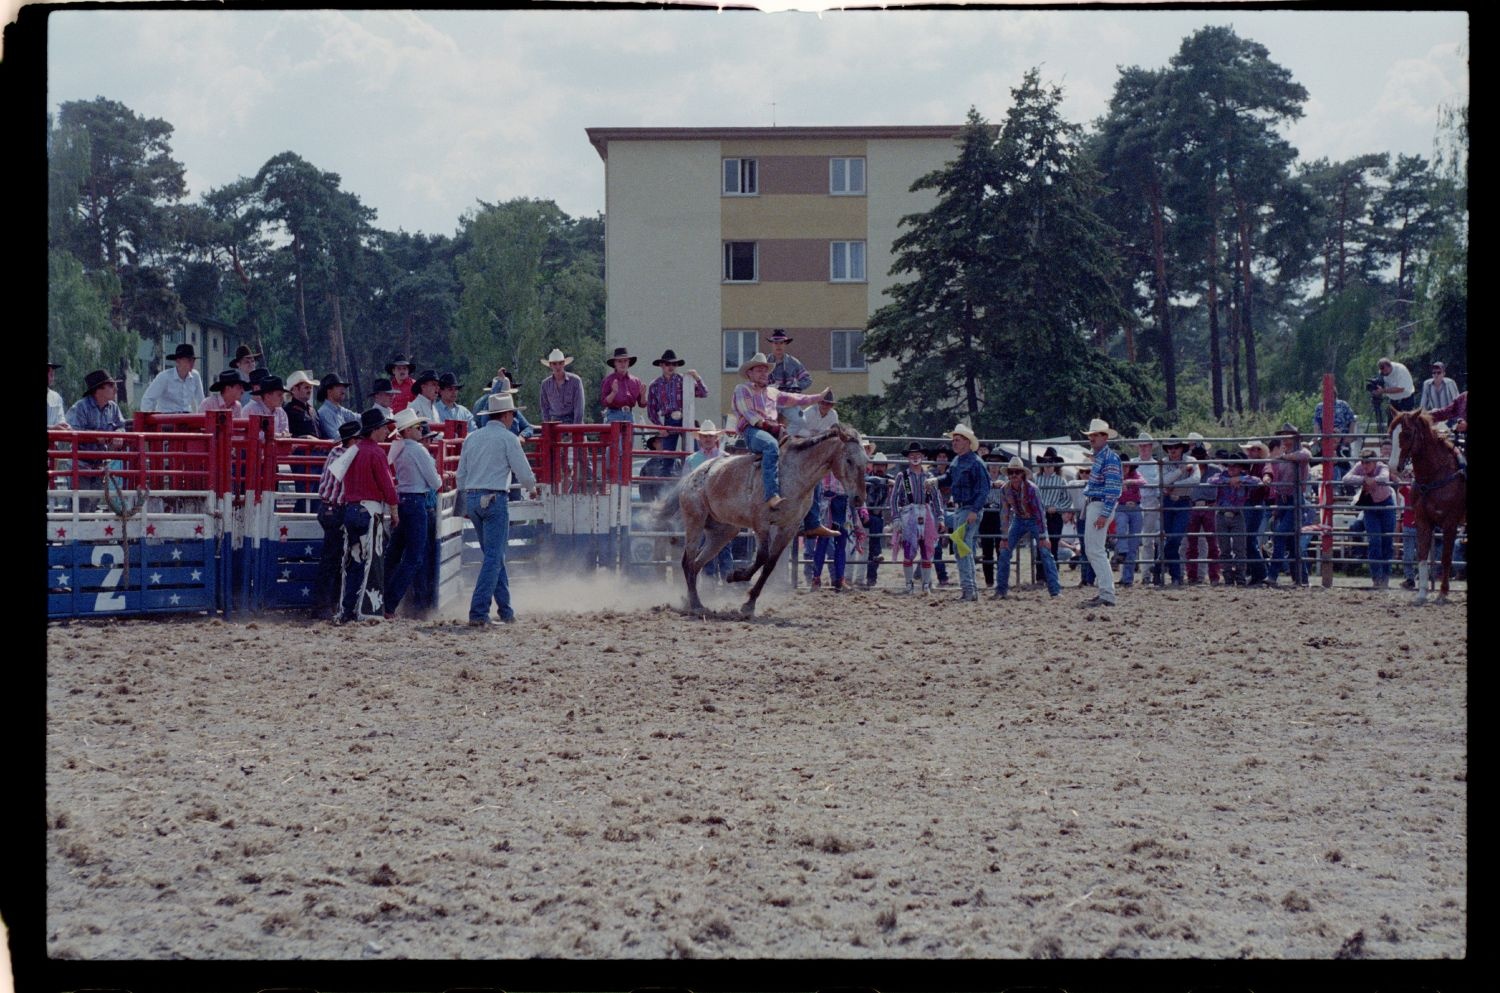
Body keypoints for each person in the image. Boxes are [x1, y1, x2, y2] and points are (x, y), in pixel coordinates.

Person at [456, 392, 539, 626]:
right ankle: (478, 611)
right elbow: (523, 471)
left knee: (494, 555)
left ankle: (505, 610)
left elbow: (461, 475)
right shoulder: (508, 438)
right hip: (495, 499)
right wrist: (531, 488)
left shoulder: (472, 438)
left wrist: (464, 501)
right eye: (512, 414)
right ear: (505, 415)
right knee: (494, 557)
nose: (514, 418)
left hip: (473, 498)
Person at [729, 351, 828, 510]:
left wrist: (818, 397)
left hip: (773, 431)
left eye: (765, 370)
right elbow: (748, 413)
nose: (764, 373)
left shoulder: (773, 392)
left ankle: (813, 521)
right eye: (759, 370)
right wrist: (767, 425)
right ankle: (771, 495)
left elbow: (797, 399)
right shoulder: (742, 389)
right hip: (752, 432)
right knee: (770, 446)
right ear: (750, 373)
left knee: (805, 457)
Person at [330, 408, 400, 623]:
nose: (386, 431)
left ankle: (346, 609)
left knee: (353, 561)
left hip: (351, 509)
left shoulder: (353, 451)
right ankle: (367, 611)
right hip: (369, 511)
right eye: (383, 428)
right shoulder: (376, 452)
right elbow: (387, 486)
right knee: (371, 561)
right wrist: (394, 511)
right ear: (375, 430)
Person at [383, 408, 448, 617]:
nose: (421, 429)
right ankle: (390, 603)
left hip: (402, 500)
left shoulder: (398, 448)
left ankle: (380, 596)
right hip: (416, 502)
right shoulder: (418, 450)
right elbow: (435, 481)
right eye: (418, 427)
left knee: (394, 553)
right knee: (414, 557)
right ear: (408, 430)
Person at [990, 455, 1062, 600]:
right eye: (1011, 473)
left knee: (1045, 551)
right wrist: (1004, 536)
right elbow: (1004, 513)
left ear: (1023, 474)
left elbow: (1040, 513)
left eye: (1017, 472)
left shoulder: (1031, 489)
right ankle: (1001, 590)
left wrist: (1042, 535)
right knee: (1004, 551)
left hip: (1035, 520)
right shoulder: (1005, 489)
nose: (1014, 475)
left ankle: (1055, 591)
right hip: (1019, 519)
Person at [929, 424, 987, 601]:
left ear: (967, 443)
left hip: (969, 508)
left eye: (957, 440)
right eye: (953, 440)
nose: (954, 443)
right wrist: (936, 481)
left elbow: (983, 489)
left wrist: (975, 510)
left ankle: (969, 589)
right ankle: (970, 589)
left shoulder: (975, 463)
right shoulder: (958, 461)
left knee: (960, 545)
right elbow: (949, 478)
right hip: (962, 508)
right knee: (963, 546)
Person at [313, 420, 362, 617]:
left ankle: (326, 604)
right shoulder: (348, 455)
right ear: (353, 440)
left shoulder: (336, 452)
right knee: (335, 559)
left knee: (332, 558)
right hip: (336, 509)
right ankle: (325, 605)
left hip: (327, 508)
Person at [888, 441, 945, 595]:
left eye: (918, 454)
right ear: (908, 458)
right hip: (908, 514)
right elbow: (893, 499)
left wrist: (940, 517)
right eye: (912, 455)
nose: (915, 457)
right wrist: (896, 518)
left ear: (922, 456)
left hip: (926, 513)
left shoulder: (929, 476)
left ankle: (926, 585)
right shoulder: (902, 476)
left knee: (927, 549)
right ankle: (909, 584)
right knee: (908, 549)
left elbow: (936, 498)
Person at [1078, 419, 1123, 608]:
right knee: (1094, 549)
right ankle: (1106, 591)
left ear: (1104, 437)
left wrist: (1104, 514)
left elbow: (1113, 488)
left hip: (1099, 505)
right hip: (1096, 505)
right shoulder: (1103, 458)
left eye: (1095, 435)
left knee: (1094, 549)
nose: (1092, 439)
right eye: (1091, 436)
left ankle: (1107, 592)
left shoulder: (1109, 458)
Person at [1266, 423, 1313, 586]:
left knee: (1280, 535)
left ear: (1295, 438)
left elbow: (1305, 455)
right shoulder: (1285, 455)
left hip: (1295, 499)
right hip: (1284, 499)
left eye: (1289, 435)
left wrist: (1283, 457)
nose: (1285, 438)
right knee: (1292, 541)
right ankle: (1301, 578)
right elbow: (1272, 468)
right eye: (1284, 436)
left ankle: (1272, 575)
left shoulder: (1298, 453)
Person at [1342, 448, 1396, 589]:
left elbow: (1384, 477)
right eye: (1363, 462)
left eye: (1368, 462)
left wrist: (1370, 480)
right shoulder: (1360, 467)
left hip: (1386, 504)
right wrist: (1365, 479)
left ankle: (1385, 577)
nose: (1365, 465)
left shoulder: (1382, 466)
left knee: (1387, 541)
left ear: (1375, 462)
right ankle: (1377, 578)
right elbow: (1345, 478)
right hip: (1371, 506)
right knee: (1375, 541)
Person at [646, 349, 708, 450]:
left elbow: (703, 393)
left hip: (686, 418)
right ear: (661, 365)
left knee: (693, 451)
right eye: (667, 364)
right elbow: (651, 410)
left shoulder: (685, 380)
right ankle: (669, 465)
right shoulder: (655, 385)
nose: (671, 367)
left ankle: (693, 465)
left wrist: (697, 378)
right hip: (669, 420)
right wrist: (660, 427)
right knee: (668, 456)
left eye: (674, 364)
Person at [1158, 438, 1198, 586]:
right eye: (1169, 448)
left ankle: (1158, 565)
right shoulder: (1163, 461)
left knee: (1174, 538)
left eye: (1175, 447)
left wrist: (1174, 484)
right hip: (1168, 502)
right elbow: (1162, 481)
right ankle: (1175, 576)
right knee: (1171, 539)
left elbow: (1196, 479)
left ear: (1182, 448)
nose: (1172, 450)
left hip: (1184, 501)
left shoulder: (1192, 460)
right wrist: (1181, 471)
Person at [1208, 458, 1253, 585]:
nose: (1231, 468)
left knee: (1240, 549)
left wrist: (1240, 479)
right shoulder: (1221, 476)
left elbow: (1256, 481)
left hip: (1237, 515)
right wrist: (1230, 481)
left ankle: (1240, 578)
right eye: (1229, 466)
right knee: (1224, 548)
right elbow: (1211, 480)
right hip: (1222, 515)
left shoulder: (1245, 478)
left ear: (1240, 467)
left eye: (1235, 466)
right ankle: (1228, 578)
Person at [1184, 437, 1222, 585]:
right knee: (1191, 544)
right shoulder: (1189, 470)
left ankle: (1214, 576)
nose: (1199, 461)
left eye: (1201, 457)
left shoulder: (1215, 470)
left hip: (1210, 506)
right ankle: (1192, 576)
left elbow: (1222, 490)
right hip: (1193, 505)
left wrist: (1217, 504)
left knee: (1212, 543)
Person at [766, 329, 813, 436]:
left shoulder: (793, 362)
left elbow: (807, 380)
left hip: (788, 400)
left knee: (801, 421)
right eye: (776, 343)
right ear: (772, 345)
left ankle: (784, 439)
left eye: (781, 343)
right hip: (769, 402)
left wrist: (796, 387)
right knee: (764, 423)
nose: (778, 346)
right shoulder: (764, 362)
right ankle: (770, 443)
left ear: (785, 344)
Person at [1238, 440, 1272, 586]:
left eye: (1255, 450)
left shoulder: (1263, 463)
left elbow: (1268, 472)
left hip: (1257, 504)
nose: (1252, 452)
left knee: (1250, 540)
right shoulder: (1249, 466)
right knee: (1248, 540)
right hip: (1249, 504)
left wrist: (1266, 478)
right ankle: (1259, 573)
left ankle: (1261, 573)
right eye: (1250, 450)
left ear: (1260, 451)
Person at [140, 343, 205, 413]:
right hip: (167, 419)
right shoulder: (164, 377)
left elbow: (201, 402)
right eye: (189, 360)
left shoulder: (195, 376)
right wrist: (149, 421)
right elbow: (148, 399)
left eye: (193, 360)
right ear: (178, 361)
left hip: (187, 419)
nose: (192, 363)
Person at [1035, 449, 1072, 563]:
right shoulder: (1035, 478)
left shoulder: (1061, 480)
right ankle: (1041, 576)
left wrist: (1057, 507)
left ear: (1055, 464)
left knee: (1054, 544)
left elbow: (1068, 499)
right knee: (1040, 544)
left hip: (1055, 516)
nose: (1047, 465)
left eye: (1050, 462)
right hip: (1040, 515)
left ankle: (1053, 575)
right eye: (1045, 462)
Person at [862, 453, 892, 588]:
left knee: (876, 525)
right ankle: (872, 575)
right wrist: (888, 482)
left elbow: (903, 483)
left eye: (882, 466)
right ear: (873, 467)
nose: (880, 468)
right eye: (877, 465)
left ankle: (871, 578)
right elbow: (871, 479)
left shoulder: (889, 479)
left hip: (876, 518)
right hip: (863, 514)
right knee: (876, 524)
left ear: (886, 467)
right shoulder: (868, 477)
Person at [1115, 455, 1144, 587]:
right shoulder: (1115, 477)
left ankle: (1127, 578)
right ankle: (1122, 550)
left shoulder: (1135, 474)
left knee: (1134, 544)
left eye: (1126, 465)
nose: (1124, 468)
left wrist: (1128, 482)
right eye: (1122, 466)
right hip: (1121, 506)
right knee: (1120, 525)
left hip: (1135, 507)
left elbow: (1143, 482)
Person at [978, 456, 1006, 589]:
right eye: (991, 462)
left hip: (1000, 514)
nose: (994, 465)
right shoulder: (982, 477)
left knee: (1001, 548)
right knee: (987, 549)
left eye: (997, 462)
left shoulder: (1005, 479)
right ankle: (989, 581)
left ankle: (1001, 579)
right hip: (986, 513)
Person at [539, 347, 587, 424]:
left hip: (572, 420)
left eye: (560, 363)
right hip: (555, 424)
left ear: (564, 364)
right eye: (554, 364)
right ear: (550, 365)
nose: (558, 367)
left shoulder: (575, 381)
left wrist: (575, 429)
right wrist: (547, 427)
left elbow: (579, 408)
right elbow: (544, 409)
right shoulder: (545, 385)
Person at [600, 347, 645, 425]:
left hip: (630, 416)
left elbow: (642, 404)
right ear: (615, 363)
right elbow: (605, 402)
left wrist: (643, 395)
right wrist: (613, 393)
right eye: (619, 361)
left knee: (629, 437)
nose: (623, 364)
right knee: (615, 437)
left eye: (625, 361)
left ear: (629, 362)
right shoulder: (608, 380)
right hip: (613, 415)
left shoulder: (636, 381)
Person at [315, 373, 359, 438]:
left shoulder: (341, 410)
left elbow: (358, 418)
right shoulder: (324, 412)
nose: (343, 389)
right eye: (338, 386)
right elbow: (336, 438)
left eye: (343, 387)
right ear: (329, 391)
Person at [284, 370, 324, 438]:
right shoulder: (288, 411)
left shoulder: (313, 410)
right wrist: (305, 438)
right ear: (294, 390)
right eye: (306, 387)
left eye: (310, 388)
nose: (309, 390)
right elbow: (288, 436)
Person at [47, 361, 67, 428]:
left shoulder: (56, 397)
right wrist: (51, 428)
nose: (52, 376)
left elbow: (61, 420)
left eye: (52, 374)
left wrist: (65, 426)